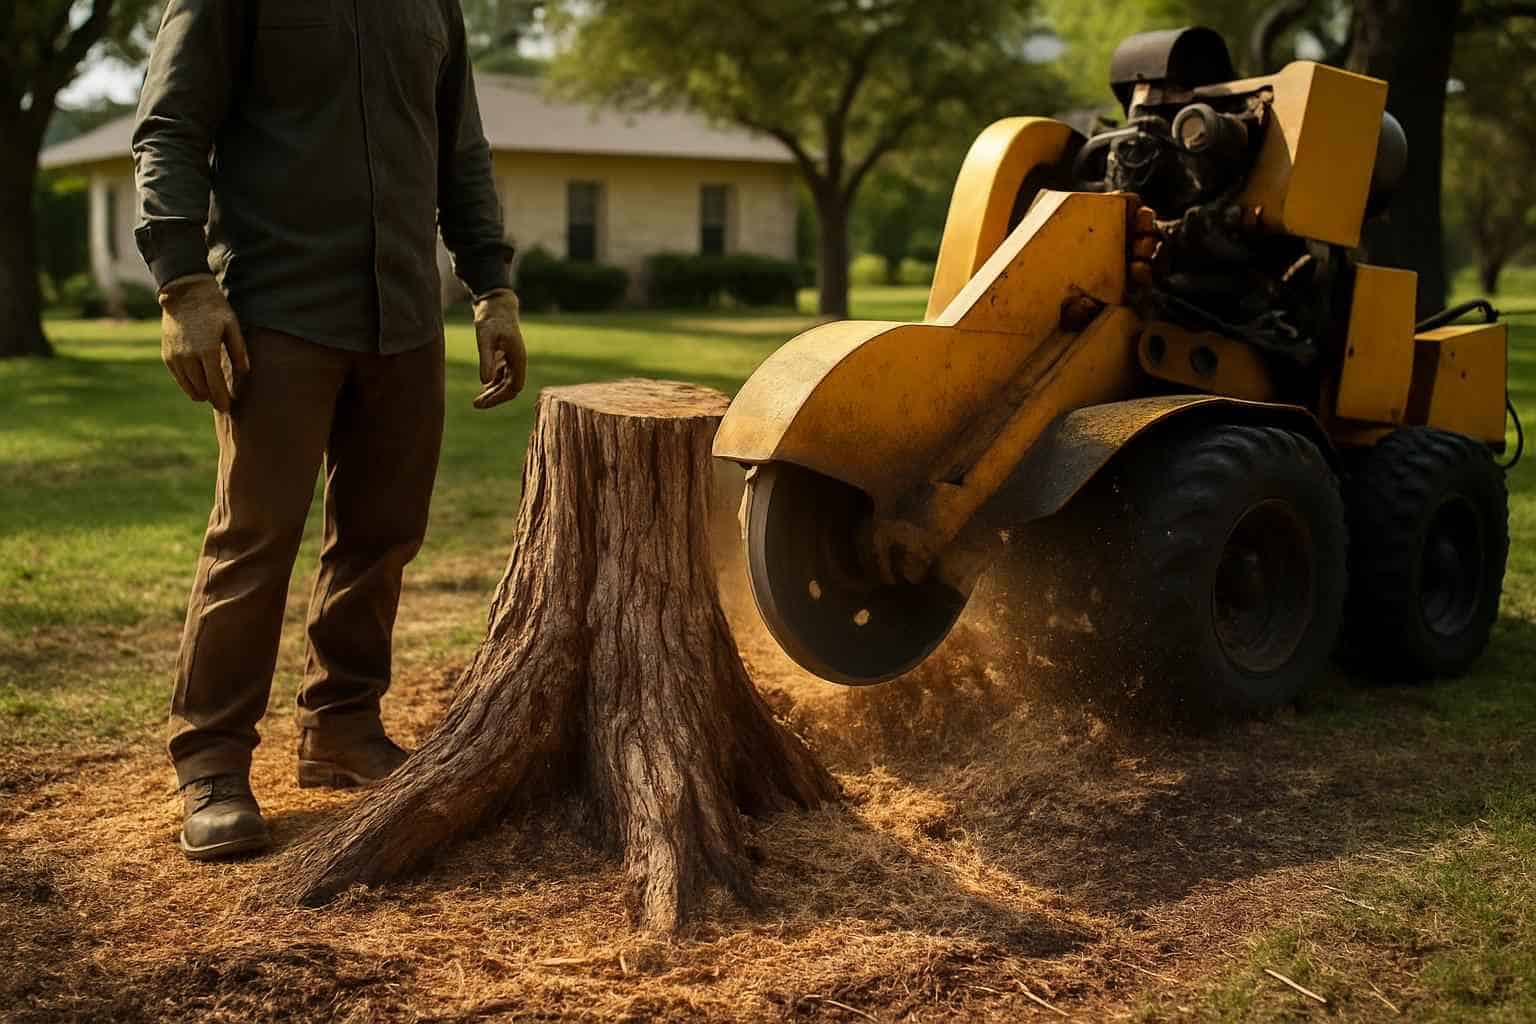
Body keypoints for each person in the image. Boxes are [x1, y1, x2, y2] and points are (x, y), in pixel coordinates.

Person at [132, 0, 526, 861]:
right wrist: (183, 285)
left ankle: (343, 726)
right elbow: (169, 127)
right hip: (276, 312)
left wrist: (491, 287)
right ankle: (211, 763)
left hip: (405, 318)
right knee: (254, 537)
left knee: (382, 537)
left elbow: (460, 147)